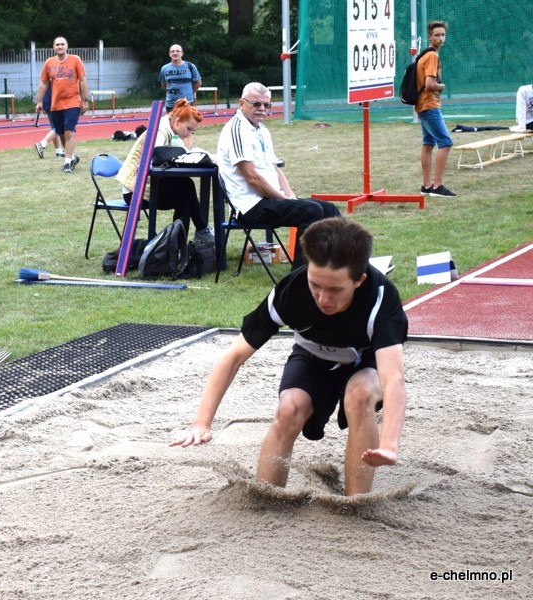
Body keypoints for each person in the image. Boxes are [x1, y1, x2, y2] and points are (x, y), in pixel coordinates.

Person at [171, 218, 409, 496]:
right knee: (289, 408)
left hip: (364, 362)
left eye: (335, 290)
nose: (322, 299)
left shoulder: (381, 299)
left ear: (359, 280)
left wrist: (389, 446)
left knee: (359, 396)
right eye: (316, 285)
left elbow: (393, 379)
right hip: (312, 356)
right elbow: (234, 356)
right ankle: (266, 499)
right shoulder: (292, 290)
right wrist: (202, 423)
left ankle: (356, 503)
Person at [217, 82, 341, 268]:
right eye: (256, 104)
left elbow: (275, 169)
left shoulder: (262, 130)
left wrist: (291, 197)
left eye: (266, 105)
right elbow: (252, 178)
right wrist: (286, 200)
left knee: (328, 209)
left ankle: (342, 264)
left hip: (269, 200)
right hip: (249, 205)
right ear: (241, 104)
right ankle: (300, 275)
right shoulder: (236, 129)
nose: (262, 109)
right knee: (311, 210)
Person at [116, 99, 212, 240]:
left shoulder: (169, 128)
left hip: (144, 187)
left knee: (185, 189)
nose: (189, 134)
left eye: (193, 131)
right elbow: (154, 162)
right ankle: (197, 234)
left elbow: (182, 152)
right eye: (189, 129)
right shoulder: (161, 132)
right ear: (177, 121)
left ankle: (189, 238)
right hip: (134, 192)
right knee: (186, 190)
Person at [35, 36, 89, 173]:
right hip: (56, 104)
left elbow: (82, 81)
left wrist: (84, 100)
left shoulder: (76, 60)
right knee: (61, 133)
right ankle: (72, 157)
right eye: (57, 44)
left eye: (62, 44)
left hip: (72, 101)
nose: (60, 47)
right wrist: (39, 101)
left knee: (70, 131)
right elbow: (43, 83)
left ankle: (67, 163)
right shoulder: (49, 63)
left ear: (67, 46)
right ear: (54, 47)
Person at [416, 21, 456, 197]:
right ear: (429, 37)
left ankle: (426, 185)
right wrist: (442, 86)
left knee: (428, 144)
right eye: (437, 35)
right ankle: (437, 186)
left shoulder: (424, 55)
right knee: (446, 143)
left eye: (443, 35)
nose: (441, 38)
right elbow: (430, 84)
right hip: (429, 105)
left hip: (421, 105)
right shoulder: (432, 56)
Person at [158, 44, 201, 113]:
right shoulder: (164, 68)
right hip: (171, 104)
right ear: (169, 54)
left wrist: (190, 93)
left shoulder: (190, 66)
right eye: (172, 51)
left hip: (187, 103)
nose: (175, 53)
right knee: (173, 124)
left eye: (178, 51)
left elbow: (198, 83)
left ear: (182, 53)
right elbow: (163, 85)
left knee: (188, 124)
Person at [33, 81, 64, 159]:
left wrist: (39, 102)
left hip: (48, 101)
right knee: (59, 127)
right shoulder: (56, 72)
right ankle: (42, 144)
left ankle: (59, 151)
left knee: (54, 127)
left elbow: (42, 86)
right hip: (54, 101)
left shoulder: (48, 72)